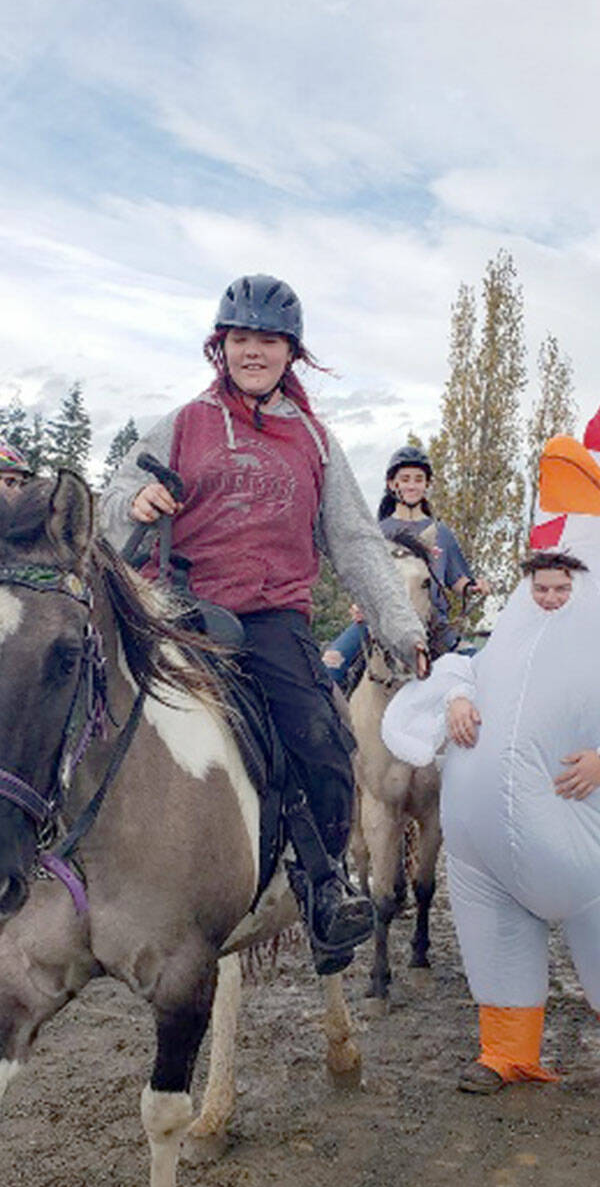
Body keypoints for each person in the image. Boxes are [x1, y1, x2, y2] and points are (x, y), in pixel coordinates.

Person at [381, 413, 600, 1106]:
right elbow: (478, 666)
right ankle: (508, 1050)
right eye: (543, 586)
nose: (551, 595)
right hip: (490, 859)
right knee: (497, 938)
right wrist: (457, 695)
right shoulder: (528, 603)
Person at [99, 274, 429, 970]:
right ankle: (33, 845)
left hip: (271, 619)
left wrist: (404, 630)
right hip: (177, 609)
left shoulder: (313, 439)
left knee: (325, 738)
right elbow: (115, 493)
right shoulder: (184, 423)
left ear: (291, 353)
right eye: (241, 339)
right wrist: (137, 500)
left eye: (268, 341)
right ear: (221, 347)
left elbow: (355, 541)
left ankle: (321, 890)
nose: (254, 352)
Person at [321, 444, 489, 687]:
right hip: (381, 620)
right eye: (405, 479)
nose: (412, 485)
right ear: (392, 484)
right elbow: (364, 575)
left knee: (480, 667)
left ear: (427, 485)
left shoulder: (441, 533)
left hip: (434, 625)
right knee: (329, 667)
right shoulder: (377, 532)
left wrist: (473, 587)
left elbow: (456, 579)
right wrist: (359, 603)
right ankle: (335, 723)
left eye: (418, 479)